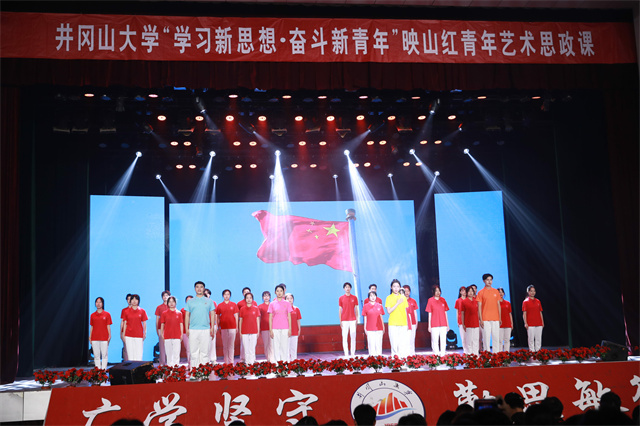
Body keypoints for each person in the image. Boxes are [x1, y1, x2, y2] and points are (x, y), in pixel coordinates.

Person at [185, 281, 216, 368]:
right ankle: (194, 372)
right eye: (197, 287)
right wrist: (187, 328)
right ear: (195, 289)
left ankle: (204, 372)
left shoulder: (209, 301)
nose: (199, 289)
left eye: (201, 287)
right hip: (193, 329)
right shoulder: (190, 302)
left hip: (205, 329)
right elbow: (187, 315)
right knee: (193, 353)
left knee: (205, 353)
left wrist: (212, 327)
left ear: (204, 289)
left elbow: (212, 314)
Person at [477, 273, 501, 353]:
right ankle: (486, 355)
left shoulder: (496, 291)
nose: (489, 281)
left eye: (491, 280)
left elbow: (498, 305)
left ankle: (496, 354)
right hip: (485, 319)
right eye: (487, 280)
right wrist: (481, 319)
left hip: (495, 318)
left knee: (496, 338)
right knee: (486, 338)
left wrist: (499, 317)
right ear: (484, 281)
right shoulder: (481, 292)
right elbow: (479, 307)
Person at [268, 284, 293, 362]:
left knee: (284, 347)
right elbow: (270, 318)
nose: (279, 292)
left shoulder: (287, 303)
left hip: (285, 328)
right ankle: (277, 365)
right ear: (275, 292)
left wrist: (290, 329)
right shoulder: (272, 304)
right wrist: (270, 330)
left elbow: (289, 317)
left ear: (283, 292)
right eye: (277, 291)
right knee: (276, 347)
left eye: (281, 291)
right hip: (275, 328)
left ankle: (284, 364)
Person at [385, 279, 409, 357]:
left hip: (403, 323)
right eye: (394, 286)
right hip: (393, 323)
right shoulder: (389, 298)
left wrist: (407, 323)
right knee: (394, 344)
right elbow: (389, 311)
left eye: (397, 286)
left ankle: (402, 360)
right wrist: (397, 303)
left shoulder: (403, 297)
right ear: (391, 287)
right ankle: (395, 360)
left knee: (402, 344)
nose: (396, 288)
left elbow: (405, 311)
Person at [216, 289, 239, 364]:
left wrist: (237, 327)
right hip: (223, 327)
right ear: (223, 296)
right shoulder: (219, 305)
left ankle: (231, 362)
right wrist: (218, 326)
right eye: (225, 294)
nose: (226, 296)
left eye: (228, 294)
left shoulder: (234, 304)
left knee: (231, 345)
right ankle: (226, 362)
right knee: (225, 345)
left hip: (232, 327)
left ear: (230, 296)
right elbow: (217, 317)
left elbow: (236, 316)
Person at [122, 294, 147, 361]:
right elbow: (125, 323)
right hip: (128, 335)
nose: (134, 301)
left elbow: (144, 323)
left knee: (139, 354)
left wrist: (144, 333)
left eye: (136, 299)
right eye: (132, 299)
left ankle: (138, 367)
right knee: (130, 355)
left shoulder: (142, 311)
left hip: (139, 335)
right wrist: (123, 334)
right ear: (130, 301)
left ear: (138, 301)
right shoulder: (126, 311)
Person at [425, 285, 449, 356]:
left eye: (439, 291)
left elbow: (445, 313)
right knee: (435, 341)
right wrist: (429, 326)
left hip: (443, 323)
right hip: (434, 324)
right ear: (433, 292)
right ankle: (436, 355)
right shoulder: (430, 300)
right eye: (436, 291)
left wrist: (447, 325)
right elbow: (429, 313)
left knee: (443, 340)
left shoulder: (443, 300)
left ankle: (443, 355)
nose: (438, 292)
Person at [160, 296, 184, 366]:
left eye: (173, 301)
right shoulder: (164, 313)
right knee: (169, 354)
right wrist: (162, 334)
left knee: (176, 354)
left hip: (177, 336)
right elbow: (162, 324)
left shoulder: (179, 313)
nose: (171, 303)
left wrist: (181, 334)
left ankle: (176, 369)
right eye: (169, 302)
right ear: (167, 303)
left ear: (175, 303)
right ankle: (170, 369)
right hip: (167, 336)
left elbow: (181, 324)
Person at [89, 296, 112, 369]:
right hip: (95, 338)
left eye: (100, 302)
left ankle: (103, 370)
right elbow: (92, 326)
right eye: (97, 302)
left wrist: (109, 335)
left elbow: (108, 326)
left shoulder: (107, 314)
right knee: (96, 355)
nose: (98, 304)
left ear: (102, 304)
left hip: (104, 337)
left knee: (104, 355)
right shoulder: (92, 315)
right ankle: (98, 371)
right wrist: (90, 336)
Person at [238, 292, 260, 364]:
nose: (249, 299)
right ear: (245, 299)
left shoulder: (256, 309)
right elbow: (241, 320)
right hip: (244, 331)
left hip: (254, 331)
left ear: (252, 299)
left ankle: (252, 363)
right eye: (247, 298)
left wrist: (258, 331)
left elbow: (257, 320)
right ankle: (247, 363)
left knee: (252, 349)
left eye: (250, 298)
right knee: (246, 349)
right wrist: (240, 331)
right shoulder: (242, 309)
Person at [339, 282, 359, 357]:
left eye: (348, 287)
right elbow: (340, 310)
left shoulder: (354, 298)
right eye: (346, 287)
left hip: (353, 320)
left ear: (350, 288)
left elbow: (356, 309)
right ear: (344, 289)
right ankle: (346, 353)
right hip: (344, 320)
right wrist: (340, 320)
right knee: (344, 337)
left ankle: (353, 353)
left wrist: (356, 318)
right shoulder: (341, 298)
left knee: (353, 336)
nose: (347, 288)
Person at [362, 291, 385, 356]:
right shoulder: (365, 306)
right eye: (371, 296)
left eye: (374, 295)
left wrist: (383, 326)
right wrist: (365, 327)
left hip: (379, 327)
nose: (373, 297)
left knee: (378, 343)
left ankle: (379, 357)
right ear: (368, 297)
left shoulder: (379, 306)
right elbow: (365, 317)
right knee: (371, 343)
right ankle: (372, 357)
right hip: (370, 328)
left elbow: (381, 317)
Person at [522, 285, 544, 352]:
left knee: (538, 338)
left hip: (539, 323)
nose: (533, 292)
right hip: (530, 323)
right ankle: (532, 352)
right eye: (531, 291)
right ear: (528, 292)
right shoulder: (525, 302)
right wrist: (525, 323)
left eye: (534, 291)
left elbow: (540, 312)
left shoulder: (538, 301)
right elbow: (524, 313)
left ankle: (538, 351)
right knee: (531, 339)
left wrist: (542, 322)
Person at [460, 286, 479, 355]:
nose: (471, 293)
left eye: (472, 291)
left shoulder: (476, 301)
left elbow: (478, 312)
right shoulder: (464, 301)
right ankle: (470, 356)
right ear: (467, 292)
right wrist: (463, 324)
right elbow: (462, 313)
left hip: (476, 323)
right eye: (469, 291)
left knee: (476, 340)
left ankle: (476, 355)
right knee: (469, 341)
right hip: (468, 324)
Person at [155, 290, 171, 365]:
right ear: (162, 297)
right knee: (162, 346)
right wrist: (157, 329)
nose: (165, 297)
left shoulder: (171, 306)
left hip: (170, 328)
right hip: (161, 328)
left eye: (167, 295)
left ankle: (170, 363)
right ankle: (162, 363)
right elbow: (157, 319)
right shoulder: (159, 307)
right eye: (164, 296)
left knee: (169, 345)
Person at [259, 291, 275, 362]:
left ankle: (272, 359)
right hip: (264, 328)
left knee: (272, 344)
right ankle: (268, 358)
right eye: (264, 296)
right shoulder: (260, 307)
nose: (266, 297)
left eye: (267, 296)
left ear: (270, 297)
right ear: (262, 297)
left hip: (272, 328)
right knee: (266, 344)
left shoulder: (273, 305)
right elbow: (259, 318)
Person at [237, 287, 251, 362]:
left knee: (251, 343)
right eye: (245, 292)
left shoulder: (254, 303)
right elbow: (238, 315)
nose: (246, 293)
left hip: (251, 325)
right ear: (243, 294)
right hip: (243, 325)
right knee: (243, 343)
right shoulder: (239, 303)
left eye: (248, 292)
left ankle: (252, 358)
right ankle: (243, 358)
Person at [286, 293, 302, 361]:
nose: (289, 300)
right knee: (286, 349)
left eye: (291, 298)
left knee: (293, 349)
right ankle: (287, 363)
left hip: (295, 331)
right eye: (287, 298)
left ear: (293, 299)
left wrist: (299, 329)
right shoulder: (284, 309)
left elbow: (298, 320)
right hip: (286, 332)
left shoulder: (296, 309)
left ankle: (294, 362)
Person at [203, 289, 218, 363]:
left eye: (208, 293)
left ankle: (213, 358)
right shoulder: (200, 303)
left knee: (212, 342)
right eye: (205, 293)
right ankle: (206, 359)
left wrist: (216, 325)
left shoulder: (213, 303)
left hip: (212, 325)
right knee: (205, 343)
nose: (206, 294)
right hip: (204, 326)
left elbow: (215, 314)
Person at [403, 285, 418, 355]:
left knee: (412, 338)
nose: (406, 292)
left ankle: (412, 354)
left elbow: (415, 312)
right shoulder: (401, 301)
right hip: (404, 322)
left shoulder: (413, 301)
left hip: (412, 322)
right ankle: (405, 354)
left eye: (408, 291)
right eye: (405, 291)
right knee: (405, 338)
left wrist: (416, 322)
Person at [497, 287, 513, 352]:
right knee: (500, 340)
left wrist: (511, 323)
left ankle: (506, 353)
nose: (501, 293)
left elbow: (510, 314)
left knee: (507, 340)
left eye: (502, 292)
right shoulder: (496, 303)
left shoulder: (507, 303)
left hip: (507, 323)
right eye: (499, 292)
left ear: (504, 293)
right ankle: (500, 353)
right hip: (499, 324)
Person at [454, 286, 467, 352]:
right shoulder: (458, 301)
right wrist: (457, 322)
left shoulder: (468, 300)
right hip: (461, 321)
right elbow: (457, 312)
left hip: (469, 321)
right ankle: (465, 350)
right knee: (463, 337)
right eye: (462, 291)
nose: (464, 292)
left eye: (465, 290)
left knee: (469, 337)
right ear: (460, 292)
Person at [120, 293, 132, 361]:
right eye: (128, 299)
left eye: (130, 299)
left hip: (134, 332)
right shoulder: (124, 310)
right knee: (126, 348)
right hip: (125, 331)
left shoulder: (137, 310)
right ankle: (126, 363)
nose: (129, 301)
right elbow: (122, 321)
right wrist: (121, 332)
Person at [181, 295, 193, 365]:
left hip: (194, 331)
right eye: (187, 300)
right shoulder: (183, 310)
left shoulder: (196, 309)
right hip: (185, 332)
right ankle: (190, 364)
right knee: (188, 348)